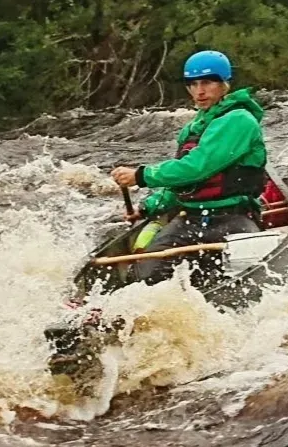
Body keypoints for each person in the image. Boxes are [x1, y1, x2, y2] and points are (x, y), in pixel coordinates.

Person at [110, 49, 267, 286]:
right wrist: (148, 208)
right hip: (191, 219)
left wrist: (142, 175)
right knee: (145, 278)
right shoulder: (193, 127)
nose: (199, 91)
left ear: (224, 84)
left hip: (234, 217)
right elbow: (181, 180)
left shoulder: (240, 120)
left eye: (207, 83)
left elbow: (198, 167)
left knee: (239, 278)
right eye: (192, 84)